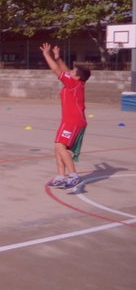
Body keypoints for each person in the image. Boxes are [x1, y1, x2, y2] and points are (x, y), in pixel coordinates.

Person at [40, 43, 91, 192]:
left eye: (73, 71)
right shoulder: (76, 82)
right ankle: (61, 177)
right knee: (58, 147)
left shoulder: (74, 84)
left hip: (73, 122)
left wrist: (47, 55)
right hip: (68, 121)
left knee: (60, 147)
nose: (70, 72)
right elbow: (65, 70)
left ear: (77, 76)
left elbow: (57, 70)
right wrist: (58, 57)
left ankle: (74, 176)